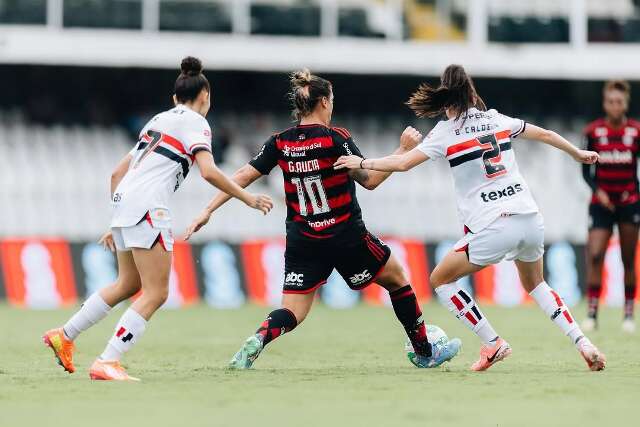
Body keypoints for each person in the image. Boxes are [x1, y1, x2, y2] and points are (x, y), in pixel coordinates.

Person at [334, 64, 606, 372]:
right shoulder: (496, 118)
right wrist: (576, 154)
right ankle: (583, 342)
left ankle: (492, 342)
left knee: (440, 279)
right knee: (536, 284)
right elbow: (543, 133)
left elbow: (403, 164)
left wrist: (362, 161)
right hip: (530, 217)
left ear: (447, 98)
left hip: (495, 223)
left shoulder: (446, 132)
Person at [186, 69, 461, 369]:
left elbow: (241, 176)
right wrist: (402, 150)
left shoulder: (280, 142)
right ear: (324, 103)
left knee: (292, 312)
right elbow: (369, 181)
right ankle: (424, 350)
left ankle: (260, 338)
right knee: (397, 280)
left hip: (304, 240)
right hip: (346, 236)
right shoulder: (335, 139)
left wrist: (208, 210)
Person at [43, 57, 273, 381]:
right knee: (156, 293)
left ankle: (64, 335)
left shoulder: (157, 120)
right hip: (149, 207)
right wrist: (246, 196)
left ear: (173, 98)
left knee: (127, 284)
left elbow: (116, 173)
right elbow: (208, 171)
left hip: (125, 204)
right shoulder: (196, 122)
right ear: (205, 96)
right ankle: (108, 360)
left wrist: (116, 221)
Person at [582, 80, 640, 333]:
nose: (615, 106)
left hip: (629, 202)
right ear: (605, 103)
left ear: (625, 104)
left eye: (619, 102)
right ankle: (592, 314)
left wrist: (633, 194)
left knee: (628, 258)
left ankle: (628, 315)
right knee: (595, 256)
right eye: (611, 102)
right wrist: (599, 191)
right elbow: (585, 172)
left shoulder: (636, 132)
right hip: (601, 204)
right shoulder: (593, 132)